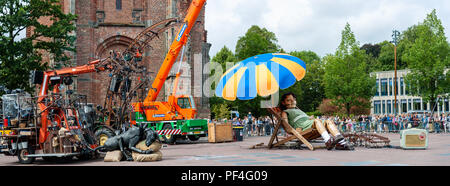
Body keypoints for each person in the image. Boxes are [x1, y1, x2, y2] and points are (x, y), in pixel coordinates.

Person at [279, 92, 353, 150]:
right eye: (288, 100)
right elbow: (287, 128)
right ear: (283, 103)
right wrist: (293, 131)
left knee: (328, 121)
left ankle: (341, 142)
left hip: (310, 124)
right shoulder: (285, 112)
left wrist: (309, 117)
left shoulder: (299, 110)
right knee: (317, 121)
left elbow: (307, 118)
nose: (292, 102)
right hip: (302, 128)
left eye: (294, 100)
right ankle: (328, 140)